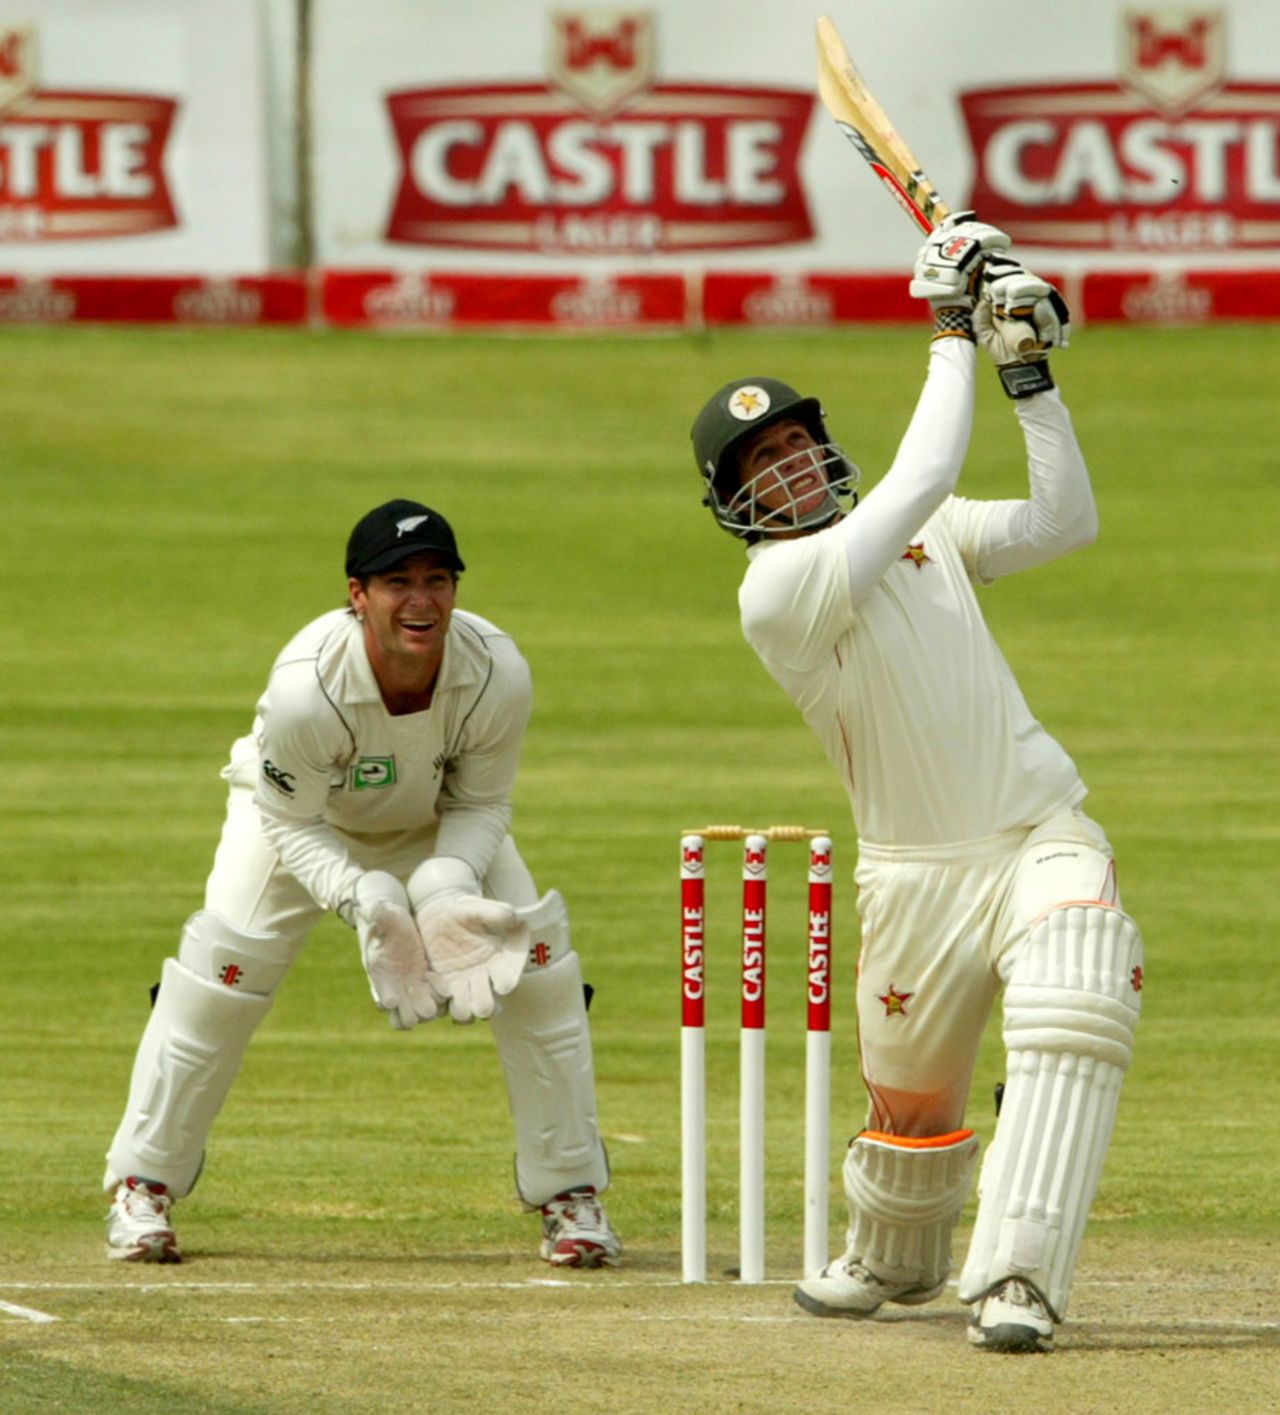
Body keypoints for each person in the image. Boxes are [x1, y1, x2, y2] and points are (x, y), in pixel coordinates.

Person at [689, 216, 1143, 1354]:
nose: (788, 464)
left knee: (1076, 994)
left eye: (795, 443)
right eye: (761, 463)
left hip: (1036, 827)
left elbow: (1061, 522)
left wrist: (1027, 377)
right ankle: (894, 1254)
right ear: (736, 500)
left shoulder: (925, 530)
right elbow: (926, 466)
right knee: (909, 1107)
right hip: (912, 873)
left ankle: (1017, 1277)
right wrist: (950, 328)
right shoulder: (780, 591)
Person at [103, 499, 620, 1270]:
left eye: (437, 580)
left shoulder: (496, 671)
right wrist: (362, 896)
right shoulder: (308, 687)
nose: (421, 600)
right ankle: (141, 1186)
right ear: (358, 595)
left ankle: (572, 1196)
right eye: (398, 582)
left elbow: (482, 803)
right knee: (222, 971)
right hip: (300, 823)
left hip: (434, 820)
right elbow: (286, 819)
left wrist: (445, 885)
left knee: (535, 965)